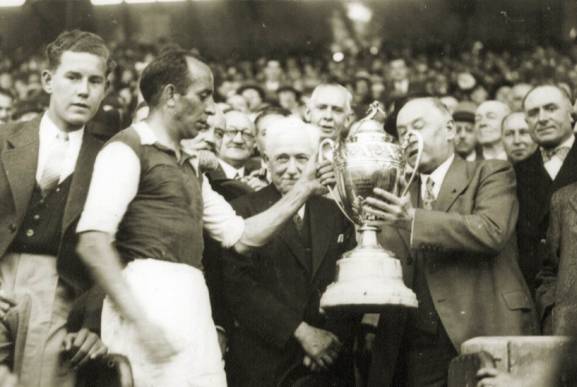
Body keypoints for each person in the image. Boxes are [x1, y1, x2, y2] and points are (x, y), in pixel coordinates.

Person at [75, 49, 331, 387]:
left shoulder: (191, 164)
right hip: (146, 308)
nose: (212, 109)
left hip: (193, 309)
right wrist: (141, 322)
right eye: (203, 95)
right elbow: (93, 243)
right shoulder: (125, 150)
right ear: (170, 95)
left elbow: (242, 237)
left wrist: (303, 190)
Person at [365, 97, 538, 387]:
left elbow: (491, 231)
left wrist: (412, 219)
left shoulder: (492, 172)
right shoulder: (397, 190)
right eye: (401, 130)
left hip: (481, 327)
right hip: (417, 345)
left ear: (449, 130)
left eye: (417, 126)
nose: (407, 136)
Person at [0, 30, 112, 386]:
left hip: (60, 292)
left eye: (95, 81)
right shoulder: (4, 139)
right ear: (48, 80)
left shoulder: (111, 157)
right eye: (73, 77)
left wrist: (94, 322)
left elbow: (119, 245)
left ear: (106, 89)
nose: (83, 90)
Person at [222, 116, 357, 387]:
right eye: (282, 159)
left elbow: (351, 281)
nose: (292, 169)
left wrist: (329, 340)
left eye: (302, 158)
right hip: (264, 363)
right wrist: (302, 334)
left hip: (328, 363)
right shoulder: (240, 210)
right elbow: (237, 286)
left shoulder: (337, 213)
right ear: (265, 161)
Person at [515, 84, 577, 296]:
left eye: (551, 108)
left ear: (571, 115)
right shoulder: (515, 173)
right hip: (537, 296)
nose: (542, 118)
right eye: (533, 113)